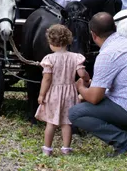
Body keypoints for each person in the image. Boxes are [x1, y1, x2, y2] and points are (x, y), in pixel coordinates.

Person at [68, 13, 127, 156]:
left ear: (93, 35)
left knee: (75, 113)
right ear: (115, 28)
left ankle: (126, 143)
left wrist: (80, 87)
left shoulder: (107, 54)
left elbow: (94, 98)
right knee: (104, 100)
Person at [36, 24, 89, 156]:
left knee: (51, 123)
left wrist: (42, 94)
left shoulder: (50, 59)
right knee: (66, 123)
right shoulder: (75, 57)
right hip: (70, 92)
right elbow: (82, 73)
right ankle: (66, 149)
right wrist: (86, 79)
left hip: (54, 92)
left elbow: (47, 79)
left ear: (52, 43)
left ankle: (47, 149)